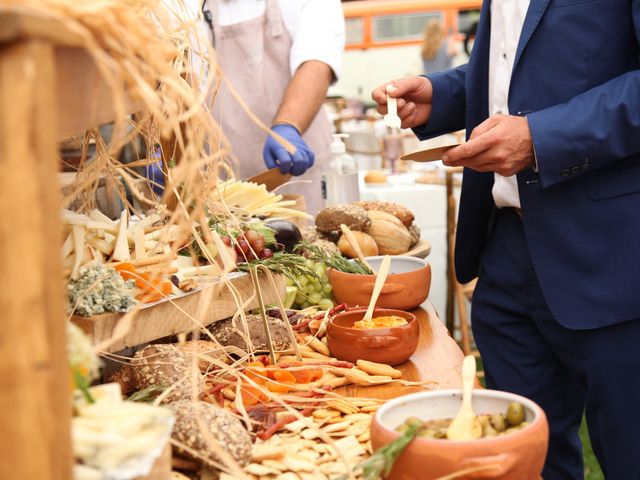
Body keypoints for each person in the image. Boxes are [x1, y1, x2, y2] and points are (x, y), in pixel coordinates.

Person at [373, 2, 640, 480]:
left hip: (612, 253)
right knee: (519, 462)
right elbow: (507, 71)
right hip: (505, 249)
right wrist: (441, 94)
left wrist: (543, 137)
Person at [196, 0, 345, 213]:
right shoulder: (183, 8)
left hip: (297, 174)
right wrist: (167, 154)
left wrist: (288, 126)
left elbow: (317, 60)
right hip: (222, 193)